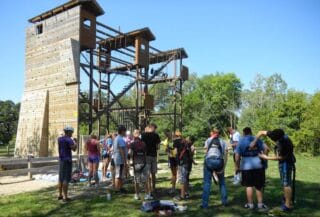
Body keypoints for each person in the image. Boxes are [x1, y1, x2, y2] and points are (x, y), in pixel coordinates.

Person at [256, 129, 296, 212]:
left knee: (286, 183)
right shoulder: (275, 134)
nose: (273, 140)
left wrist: (266, 157)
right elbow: (261, 132)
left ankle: (287, 205)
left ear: (278, 138)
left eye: (275, 140)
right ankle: (286, 200)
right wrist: (254, 141)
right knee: (285, 183)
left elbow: (281, 157)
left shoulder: (285, 143)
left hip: (286, 163)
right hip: (284, 161)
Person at [234, 127, 268, 211]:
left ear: (244, 133)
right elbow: (266, 148)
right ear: (251, 132)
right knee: (259, 186)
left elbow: (237, 156)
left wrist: (237, 166)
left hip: (246, 166)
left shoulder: (241, 141)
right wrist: (264, 159)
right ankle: (260, 204)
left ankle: (250, 204)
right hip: (258, 165)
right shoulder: (256, 139)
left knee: (248, 185)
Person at [201, 129, 228, 208]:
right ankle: (224, 202)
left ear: (212, 133)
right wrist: (223, 167)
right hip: (219, 161)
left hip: (209, 161)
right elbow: (225, 154)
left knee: (207, 183)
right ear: (218, 134)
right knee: (222, 182)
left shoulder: (208, 140)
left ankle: (205, 205)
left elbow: (206, 152)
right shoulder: (223, 141)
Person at [129, 129, 153, 200]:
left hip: (136, 163)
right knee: (145, 179)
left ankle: (137, 195)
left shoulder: (132, 143)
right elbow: (145, 153)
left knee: (136, 180)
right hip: (144, 162)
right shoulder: (143, 143)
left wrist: (130, 160)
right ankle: (147, 194)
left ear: (134, 134)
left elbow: (130, 153)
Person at [57, 126, 77, 203]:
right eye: (71, 132)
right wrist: (75, 142)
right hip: (67, 160)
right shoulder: (69, 140)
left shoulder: (60, 139)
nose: (72, 134)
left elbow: (60, 148)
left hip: (61, 160)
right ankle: (65, 197)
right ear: (68, 132)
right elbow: (74, 149)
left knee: (60, 178)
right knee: (66, 179)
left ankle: (59, 195)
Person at [141, 123, 161, 194]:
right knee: (153, 173)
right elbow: (158, 147)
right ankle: (154, 188)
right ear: (152, 128)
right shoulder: (156, 135)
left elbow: (142, 145)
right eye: (155, 128)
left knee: (147, 173)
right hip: (154, 155)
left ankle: (148, 189)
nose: (155, 130)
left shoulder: (143, 135)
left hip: (146, 155)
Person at [173, 131, 191, 201]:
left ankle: (182, 195)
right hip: (187, 161)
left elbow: (175, 152)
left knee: (182, 179)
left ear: (175, 136)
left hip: (182, 161)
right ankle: (186, 193)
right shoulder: (185, 141)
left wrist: (169, 150)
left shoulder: (176, 142)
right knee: (185, 177)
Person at [162, 129, 177, 194]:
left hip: (173, 158)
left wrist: (169, 152)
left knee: (174, 174)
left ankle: (173, 188)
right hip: (173, 157)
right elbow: (166, 150)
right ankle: (173, 186)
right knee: (174, 173)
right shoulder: (171, 140)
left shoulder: (168, 141)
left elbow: (166, 150)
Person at [113, 125, 127, 192]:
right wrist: (124, 161)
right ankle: (117, 189)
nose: (125, 133)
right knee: (118, 175)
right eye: (125, 131)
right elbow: (121, 150)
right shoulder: (120, 139)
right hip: (120, 159)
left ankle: (121, 188)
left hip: (118, 159)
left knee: (120, 174)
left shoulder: (117, 138)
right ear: (122, 131)